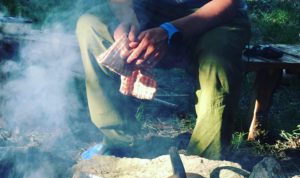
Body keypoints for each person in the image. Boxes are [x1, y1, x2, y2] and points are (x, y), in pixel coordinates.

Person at [76, 0, 251, 159]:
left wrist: (169, 31)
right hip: (151, 11)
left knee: (217, 61)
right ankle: (119, 142)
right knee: (89, 25)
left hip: (213, 17)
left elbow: (228, 3)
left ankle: (206, 161)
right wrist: (128, 22)